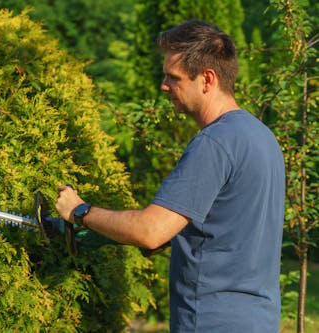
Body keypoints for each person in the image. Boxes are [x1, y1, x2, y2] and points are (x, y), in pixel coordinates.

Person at [55, 20, 285, 333]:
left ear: (207, 79)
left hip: (210, 321)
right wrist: (105, 231)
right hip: (259, 320)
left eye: (173, 77)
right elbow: (228, 227)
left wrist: (80, 211)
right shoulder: (262, 137)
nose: (164, 85)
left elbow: (151, 231)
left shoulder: (214, 143)